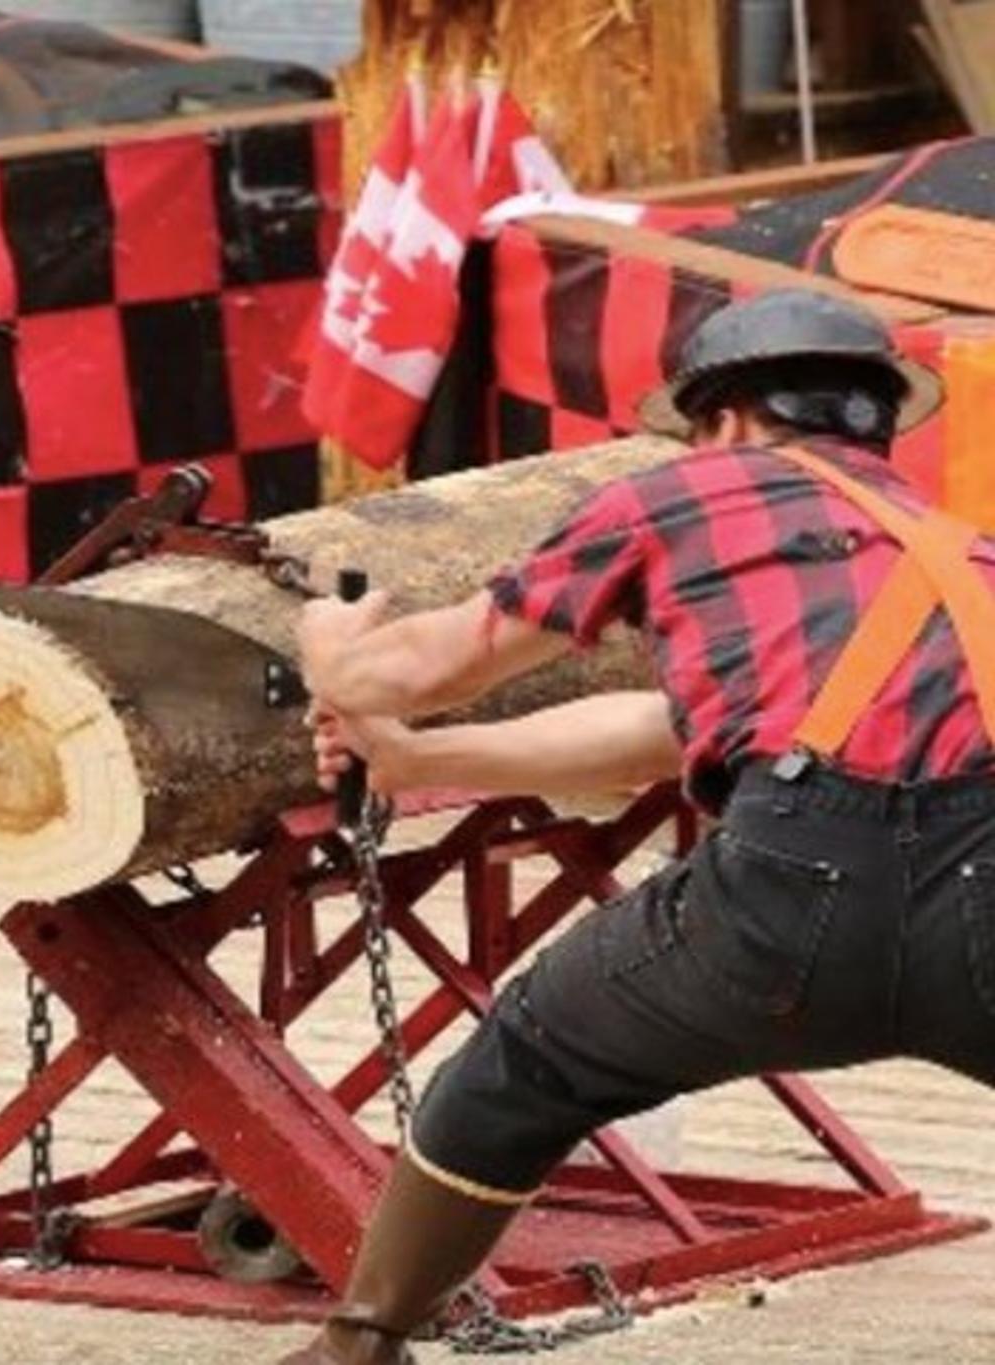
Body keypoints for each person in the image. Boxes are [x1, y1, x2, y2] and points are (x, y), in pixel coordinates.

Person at [287, 285, 993, 1364]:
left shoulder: (679, 496)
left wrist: (331, 647)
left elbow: (413, 669)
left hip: (782, 908)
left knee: (529, 1065)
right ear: (876, 422)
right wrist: (420, 765)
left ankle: (360, 1344)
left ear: (722, 421)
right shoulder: (959, 552)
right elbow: (673, 731)